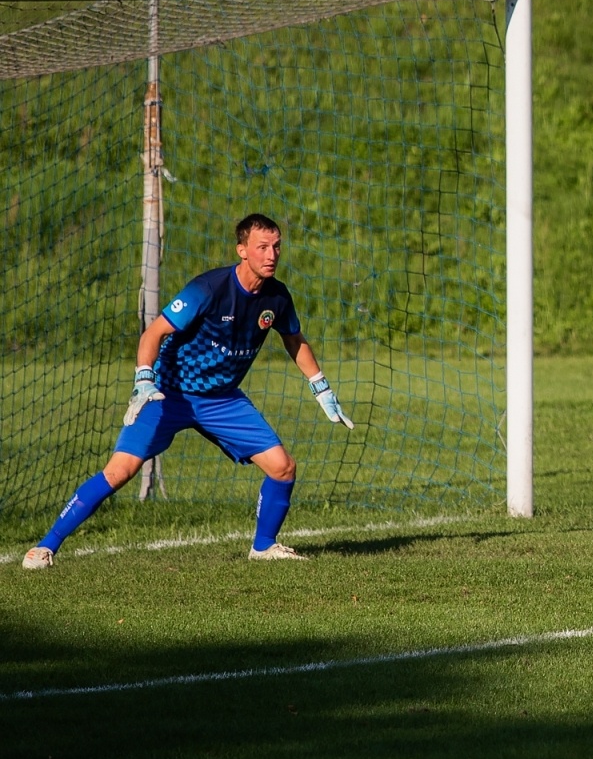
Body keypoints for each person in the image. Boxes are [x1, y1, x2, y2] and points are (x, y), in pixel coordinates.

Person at [21, 213, 354, 568]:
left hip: (222, 399)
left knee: (283, 467)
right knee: (120, 471)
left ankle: (264, 547)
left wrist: (320, 386)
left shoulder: (277, 297)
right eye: (262, 247)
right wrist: (144, 380)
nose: (271, 254)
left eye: (276, 246)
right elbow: (154, 333)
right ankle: (45, 546)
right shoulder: (208, 289)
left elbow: (294, 340)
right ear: (242, 250)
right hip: (169, 392)